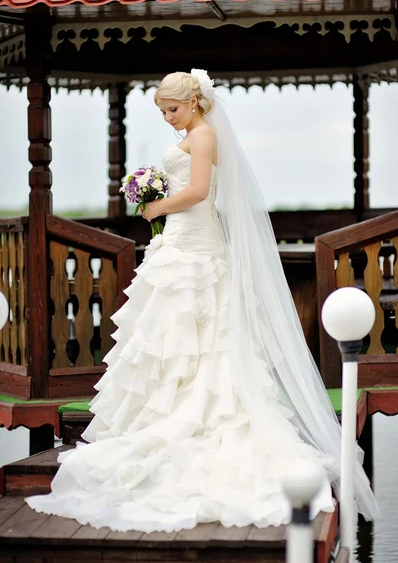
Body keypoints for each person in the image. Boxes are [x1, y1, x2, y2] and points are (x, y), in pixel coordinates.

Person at [26, 70, 379, 532]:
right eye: (162, 113)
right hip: (179, 242)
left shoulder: (205, 134)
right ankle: (166, 413)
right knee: (170, 334)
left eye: (172, 110)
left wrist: (155, 206)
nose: (168, 119)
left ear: (194, 102)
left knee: (207, 332)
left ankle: (203, 420)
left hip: (196, 243)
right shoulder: (193, 133)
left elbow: (195, 193)